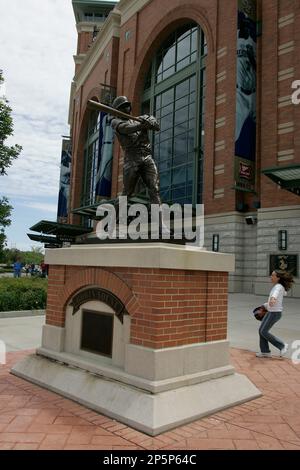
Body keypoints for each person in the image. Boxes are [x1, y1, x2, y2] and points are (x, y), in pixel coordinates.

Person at [110, 96, 161, 205]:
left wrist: (150, 121)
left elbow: (157, 126)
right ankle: (114, 219)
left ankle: (160, 221)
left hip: (147, 157)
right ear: (117, 110)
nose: (126, 107)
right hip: (132, 158)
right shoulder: (115, 121)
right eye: (122, 106)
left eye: (127, 105)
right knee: (127, 193)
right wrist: (142, 126)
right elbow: (125, 129)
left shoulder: (140, 118)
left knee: (154, 189)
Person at [256, 270, 294, 358]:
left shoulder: (278, 287)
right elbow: (274, 299)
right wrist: (265, 305)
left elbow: (275, 295)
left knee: (264, 331)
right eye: (271, 275)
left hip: (275, 313)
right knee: (261, 330)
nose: (271, 277)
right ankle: (265, 351)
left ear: (278, 278)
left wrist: (273, 299)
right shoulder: (277, 286)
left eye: (273, 275)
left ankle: (282, 345)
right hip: (271, 312)